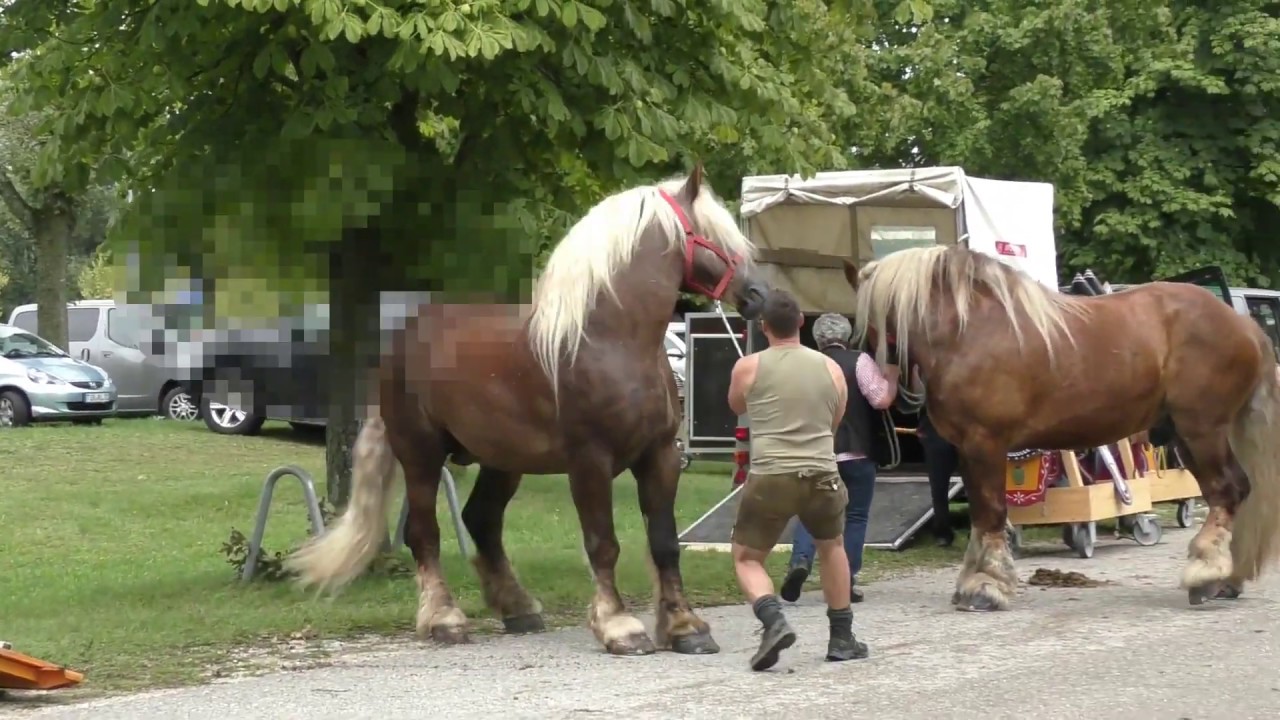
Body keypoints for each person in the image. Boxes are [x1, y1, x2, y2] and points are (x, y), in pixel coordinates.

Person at [726, 291, 868, 672]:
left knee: (746, 557)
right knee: (831, 546)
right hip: (823, 472)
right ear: (802, 322)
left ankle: (774, 620)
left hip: (772, 474)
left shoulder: (748, 366)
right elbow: (833, 421)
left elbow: (736, 405)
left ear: (763, 326)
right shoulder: (832, 369)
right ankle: (842, 638)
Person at [779, 313, 900, 605]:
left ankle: (800, 561)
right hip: (858, 453)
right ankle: (846, 581)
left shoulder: (803, 363)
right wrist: (892, 379)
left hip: (817, 453)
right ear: (847, 337)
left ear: (817, 338)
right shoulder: (860, 361)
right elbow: (880, 399)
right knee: (855, 516)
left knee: (811, 513)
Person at [918, 405, 960, 547]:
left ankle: (977, 529)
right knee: (938, 488)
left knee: (974, 485)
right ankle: (942, 530)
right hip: (935, 432)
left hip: (963, 433)